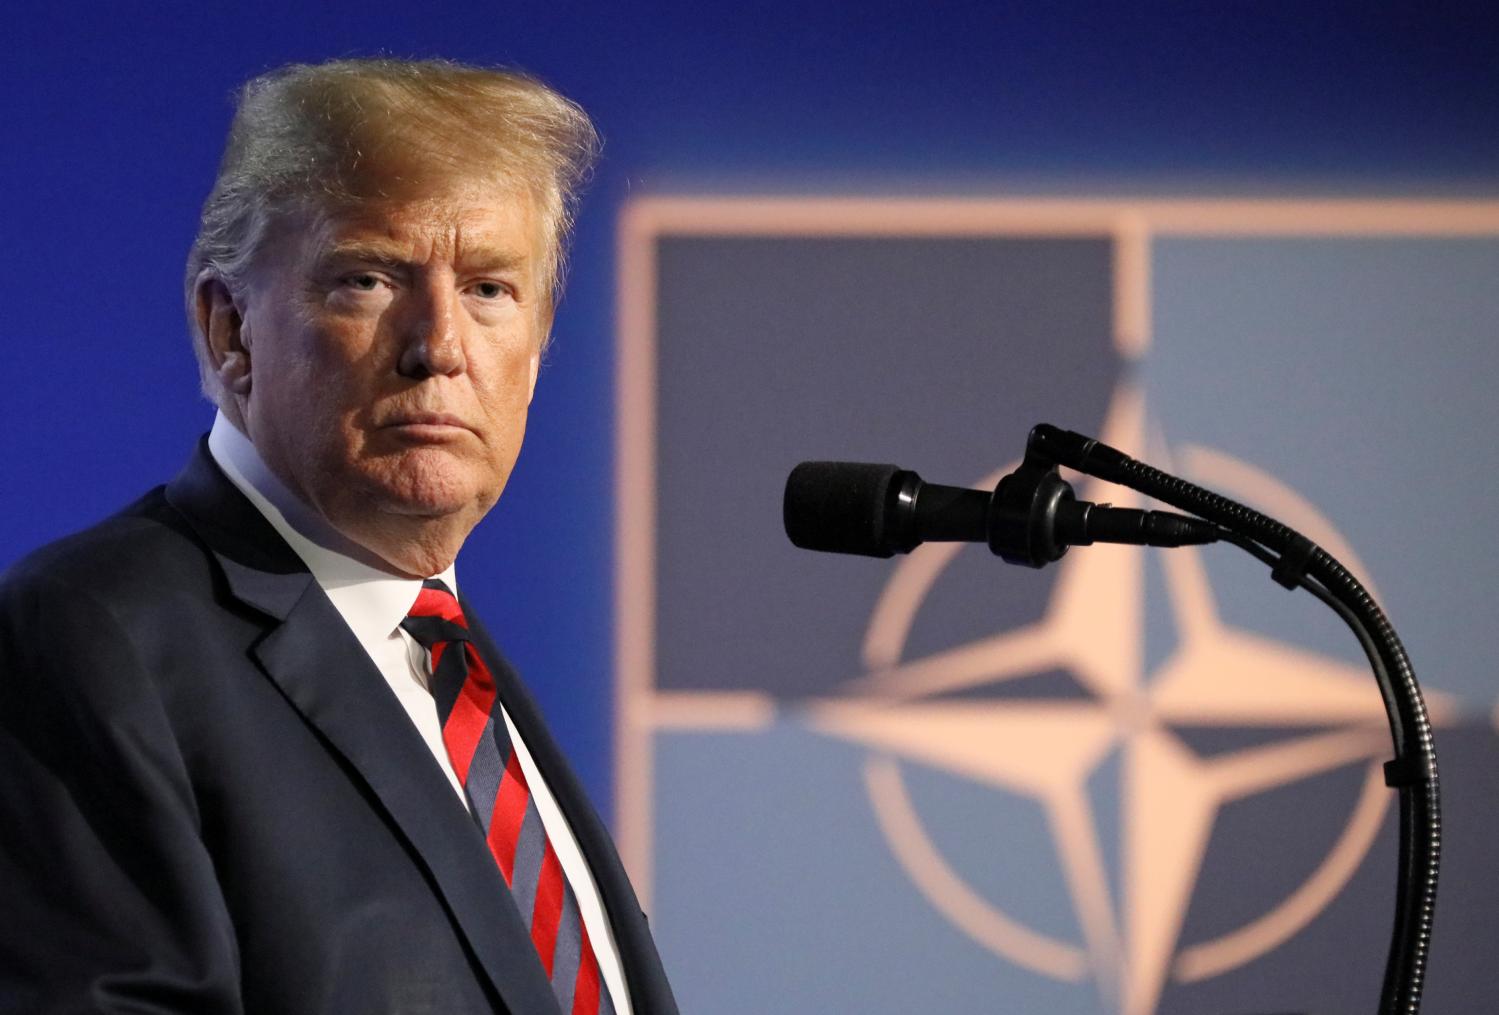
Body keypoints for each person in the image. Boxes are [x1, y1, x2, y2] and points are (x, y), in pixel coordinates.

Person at [0, 58, 677, 1015]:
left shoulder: (453, 666)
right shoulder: (95, 638)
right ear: (230, 328)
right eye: (367, 278)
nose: (439, 346)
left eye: (489, 289)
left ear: (536, 350)